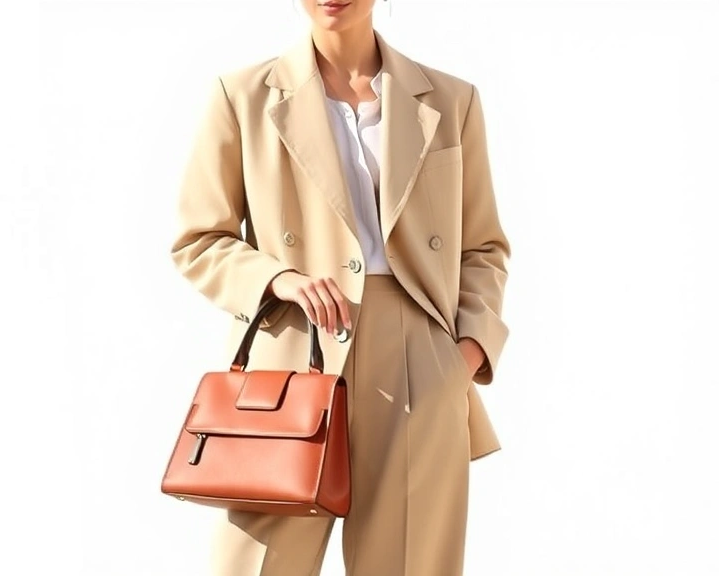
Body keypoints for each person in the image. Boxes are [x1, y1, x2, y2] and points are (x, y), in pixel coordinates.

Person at [169, 1, 510, 574]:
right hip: (292, 357)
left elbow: (482, 248)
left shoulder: (452, 100)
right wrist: (278, 277)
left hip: (419, 363)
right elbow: (199, 239)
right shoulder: (243, 95)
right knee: (260, 565)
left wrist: (466, 353)